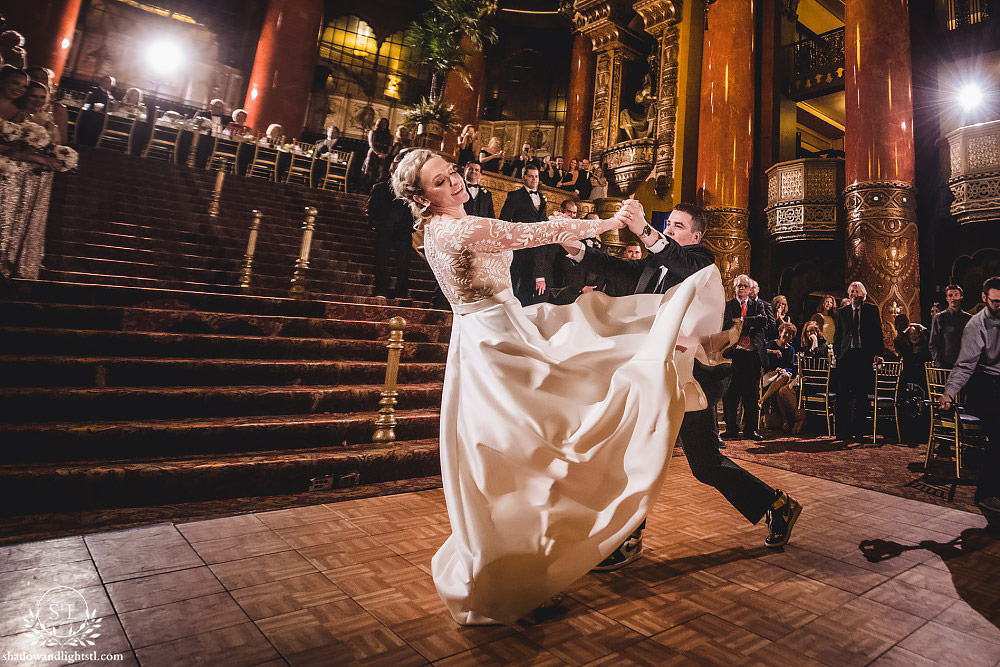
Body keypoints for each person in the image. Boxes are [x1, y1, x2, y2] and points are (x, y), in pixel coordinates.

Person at [391, 148, 725, 625]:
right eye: (440, 182)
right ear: (423, 198)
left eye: (451, 173)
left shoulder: (452, 223)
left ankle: (531, 562)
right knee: (526, 452)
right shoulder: (456, 228)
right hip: (495, 348)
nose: (454, 183)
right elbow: (531, 233)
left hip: (506, 329)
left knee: (536, 447)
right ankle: (512, 571)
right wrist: (606, 225)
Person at [566, 202, 803, 565]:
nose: (669, 229)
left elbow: (684, 262)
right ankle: (627, 536)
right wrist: (574, 246)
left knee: (705, 463)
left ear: (695, 235)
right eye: (667, 224)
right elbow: (614, 267)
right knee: (635, 452)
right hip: (656, 375)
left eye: (677, 225)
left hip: (693, 379)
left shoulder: (702, 265)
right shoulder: (655, 264)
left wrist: (646, 230)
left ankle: (776, 505)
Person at [940, 276, 1000, 520]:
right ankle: (987, 493)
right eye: (995, 301)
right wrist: (949, 392)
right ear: (984, 299)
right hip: (987, 384)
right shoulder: (976, 325)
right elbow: (964, 366)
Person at [722, 275, 773, 441]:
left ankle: (751, 430)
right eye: (739, 286)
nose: (741, 288)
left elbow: (764, 322)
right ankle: (731, 429)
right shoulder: (729, 306)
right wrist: (750, 324)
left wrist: (743, 322)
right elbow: (726, 325)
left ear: (751, 289)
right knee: (731, 394)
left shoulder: (758, 305)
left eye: (744, 286)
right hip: (735, 354)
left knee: (751, 395)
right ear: (735, 289)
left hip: (752, 355)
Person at [834, 281, 885, 443]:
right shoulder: (842, 312)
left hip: (863, 356)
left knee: (860, 396)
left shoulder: (871, 311)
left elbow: (877, 333)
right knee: (843, 397)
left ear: (863, 295)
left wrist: (878, 353)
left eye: (857, 292)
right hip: (846, 357)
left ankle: (859, 432)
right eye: (851, 292)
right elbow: (838, 336)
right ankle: (842, 432)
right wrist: (837, 353)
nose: (854, 294)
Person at [366, 150, 414, 299]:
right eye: (395, 167)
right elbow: (371, 209)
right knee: (381, 261)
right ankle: (381, 289)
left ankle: (401, 292)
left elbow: (415, 211)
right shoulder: (379, 188)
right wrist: (376, 225)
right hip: (384, 230)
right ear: (391, 169)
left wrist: (411, 226)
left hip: (403, 231)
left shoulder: (409, 191)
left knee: (403, 263)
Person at [498, 164, 547, 306]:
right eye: (531, 176)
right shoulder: (514, 196)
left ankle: (522, 316)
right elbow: (504, 221)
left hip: (536, 250)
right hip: (518, 249)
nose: (534, 179)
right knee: (512, 284)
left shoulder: (542, 199)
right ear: (524, 177)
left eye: (536, 176)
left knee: (527, 287)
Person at [761, 322, 804, 433]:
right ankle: (784, 420)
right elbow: (761, 354)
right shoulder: (772, 344)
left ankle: (762, 401)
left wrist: (784, 370)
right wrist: (775, 366)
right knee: (781, 385)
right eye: (786, 333)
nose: (787, 336)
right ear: (780, 332)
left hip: (781, 378)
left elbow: (790, 367)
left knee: (782, 384)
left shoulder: (791, 349)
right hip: (769, 376)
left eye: (790, 334)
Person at [893, 318, 931, 442]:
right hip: (908, 381)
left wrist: (923, 328)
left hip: (922, 381)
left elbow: (933, 338)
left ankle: (922, 434)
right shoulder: (906, 350)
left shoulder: (926, 350)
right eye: (911, 334)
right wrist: (905, 331)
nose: (913, 336)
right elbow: (897, 340)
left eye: (916, 334)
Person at [929, 283, 972, 368]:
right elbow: (933, 344)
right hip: (946, 365)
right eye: (950, 295)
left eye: (956, 295)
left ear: (961, 297)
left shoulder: (969, 318)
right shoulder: (939, 317)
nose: (953, 298)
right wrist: (937, 361)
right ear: (947, 298)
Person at [362, 117, 391, 184]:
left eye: (385, 123)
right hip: (373, 153)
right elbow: (371, 144)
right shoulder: (373, 132)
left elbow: (390, 146)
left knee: (380, 173)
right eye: (382, 123)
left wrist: (386, 154)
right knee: (369, 172)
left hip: (383, 154)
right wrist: (377, 153)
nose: (384, 124)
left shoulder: (389, 135)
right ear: (378, 123)